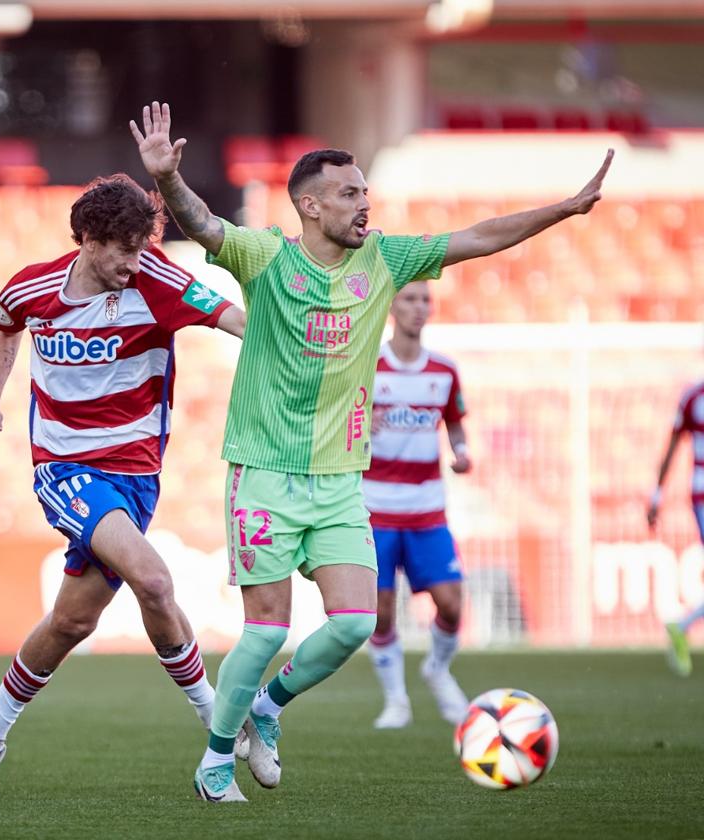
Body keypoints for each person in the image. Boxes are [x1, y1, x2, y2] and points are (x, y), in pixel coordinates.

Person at [130, 100, 612, 801]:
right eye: (351, 194)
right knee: (265, 634)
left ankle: (265, 712)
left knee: (355, 622)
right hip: (263, 473)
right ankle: (212, 762)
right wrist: (169, 182)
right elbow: (203, 224)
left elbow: (480, 236)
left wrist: (565, 208)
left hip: (338, 480)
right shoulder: (265, 256)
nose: (365, 206)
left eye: (367, 193)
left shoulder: (387, 258)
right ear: (310, 203)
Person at [0, 173, 245, 797]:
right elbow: (5, 321)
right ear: (88, 239)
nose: (134, 261)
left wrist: (293, 342)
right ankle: (222, 723)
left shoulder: (158, 281)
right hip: (63, 467)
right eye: (123, 248)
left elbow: (235, 321)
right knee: (154, 578)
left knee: (71, 621)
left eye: (143, 246)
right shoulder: (34, 285)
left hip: (136, 476)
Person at [363, 281, 471, 729]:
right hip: (375, 510)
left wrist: (462, 452)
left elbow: (455, 424)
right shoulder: (368, 367)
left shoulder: (444, 371)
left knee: (451, 603)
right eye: (409, 299)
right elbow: (336, 426)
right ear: (391, 307)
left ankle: (437, 668)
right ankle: (396, 701)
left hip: (427, 510)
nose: (419, 308)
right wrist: (361, 423)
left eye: (425, 299)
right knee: (381, 612)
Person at [647, 377, 704, 677]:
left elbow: (672, 445)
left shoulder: (692, 396)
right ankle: (681, 626)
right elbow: (672, 444)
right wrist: (656, 493)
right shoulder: (693, 397)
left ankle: (681, 626)